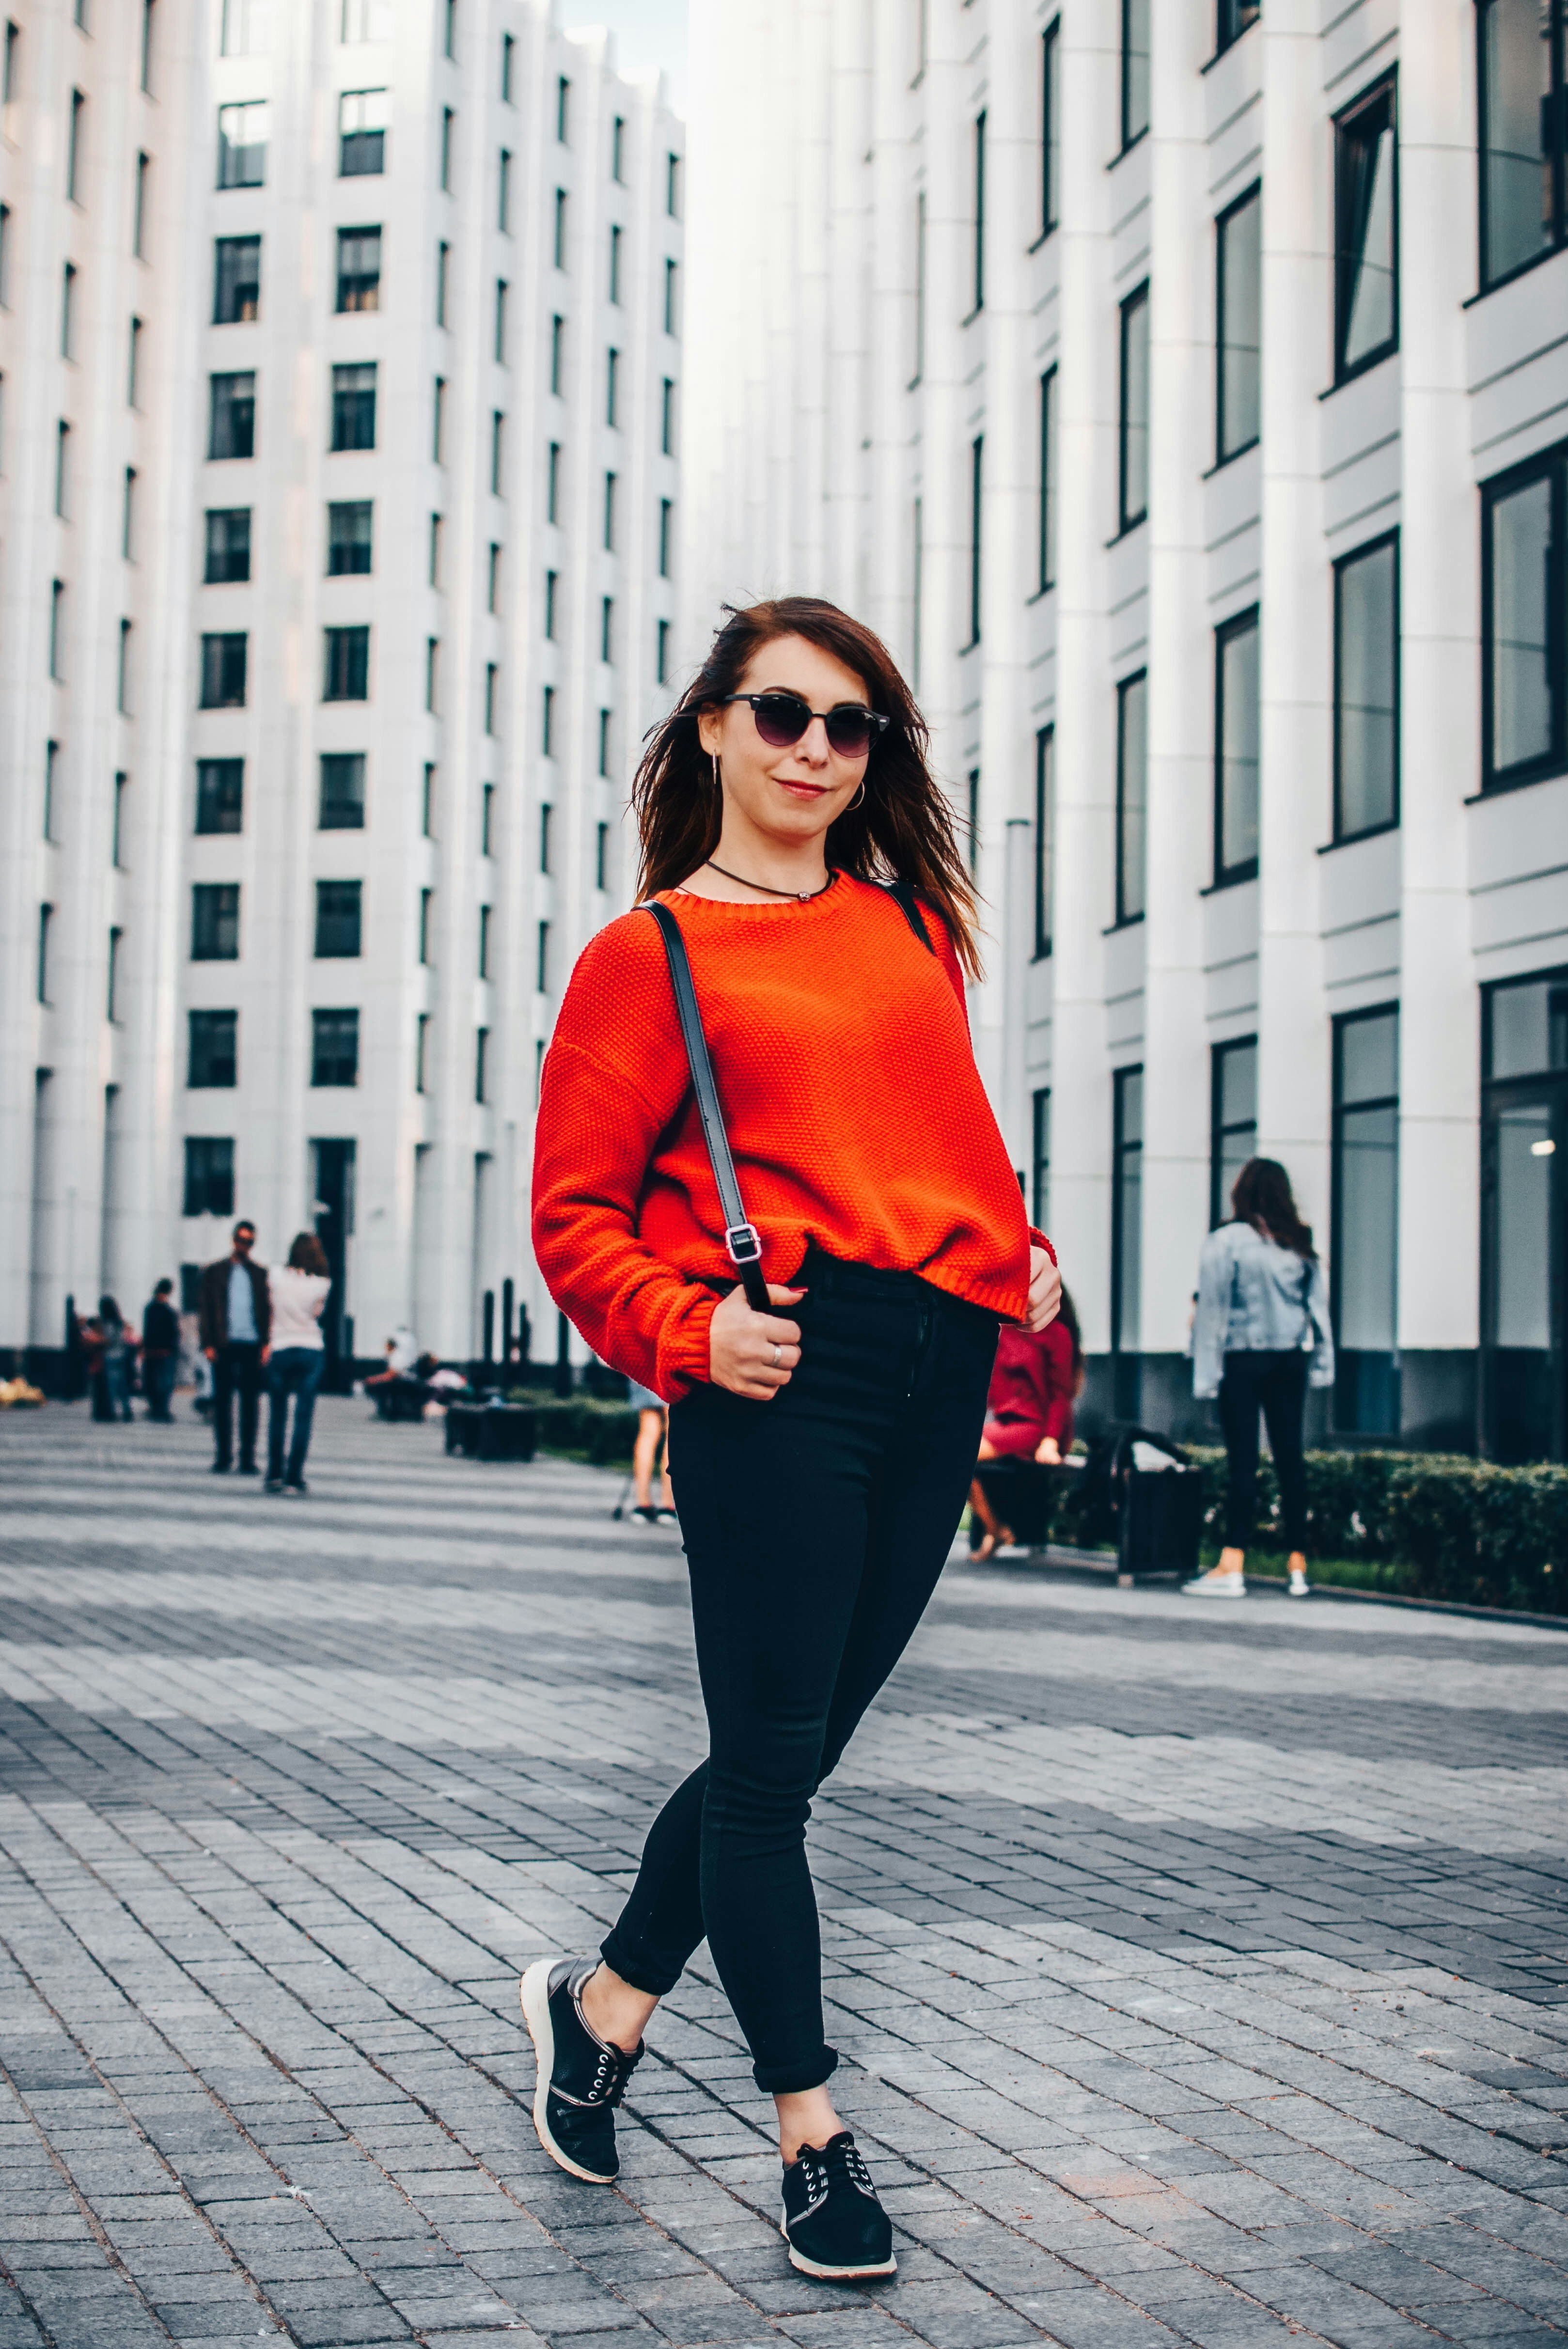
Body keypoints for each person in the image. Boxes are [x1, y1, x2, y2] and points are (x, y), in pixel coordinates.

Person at [527, 596, 1061, 2282]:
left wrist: (1018, 1251)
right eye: (780, 713)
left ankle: (604, 2003)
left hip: (938, 1362)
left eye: (849, 725)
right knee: (768, 1771)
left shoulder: (909, 930)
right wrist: (687, 1329)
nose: (815, 749)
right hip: (777, 1374)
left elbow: (949, 1143)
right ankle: (810, 2131)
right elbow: (571, 1216)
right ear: (711, 726)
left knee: (792, 1752)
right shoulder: (648, 955)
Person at [1187, 1157, 1333, 1599]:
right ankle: (1297, 1566)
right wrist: (1324, 1363)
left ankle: (1233, 1563)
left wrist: (1205, 1375)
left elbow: (1212, 1310)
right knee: (1291, 1460)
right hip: (1290, 1360)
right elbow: (1318, 1309)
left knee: (1243, 1462)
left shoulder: (1226, 1241)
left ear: (1241, 1192)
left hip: (1243, 1359)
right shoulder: (1298, 1243)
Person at [968, 1285, 1084, 1559]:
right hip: (1007, 1426)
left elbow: (1061, 1395)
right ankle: (994, 1528)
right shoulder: (1004, 1330)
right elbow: (990, 1386)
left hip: (1039, 1429)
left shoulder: (1057, 1333)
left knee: (959, 1457)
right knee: (952, 1453)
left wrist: (1051, 1441)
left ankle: (995, 1530)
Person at [199, 1220, 270, 1474]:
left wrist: (267, 1343)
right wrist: (207, 1343)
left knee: (251, 1404)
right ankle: (223, 1457)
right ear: (233, 1240)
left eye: (249, 1241)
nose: (244, 1245)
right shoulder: (215, 1272)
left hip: (252, 1344)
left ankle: (247, 1458)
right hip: (223, 1344)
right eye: (241, 1240)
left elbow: (267, 1310)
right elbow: (205, 1309)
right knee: (223, 1403)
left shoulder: (260, 1274)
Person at [264, 1234, 332, 1492]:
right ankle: (294, 1476)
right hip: (310, 1348)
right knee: (303, 1416)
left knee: (278, 1413)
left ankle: (274, 1473)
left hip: (280, 1346)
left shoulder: (275, 1276)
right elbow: (317, 1313)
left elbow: (270, 1308)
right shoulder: (322, 1283)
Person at [626, 1380, 675, 1526]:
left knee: (648, 1431)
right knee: (673, 1431)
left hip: (643, 1368)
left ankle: (643, 1504)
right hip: (672, 1369)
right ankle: (667, 1505)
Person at [87, 1298, 135, 1423]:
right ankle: (127, 1410)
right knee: (123, 1385)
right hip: (122, 1355)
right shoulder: (119, 1323)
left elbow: (108, 1340)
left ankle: (112, 1411)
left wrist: (96, 1340)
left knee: (112, 1385)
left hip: (111, 1356)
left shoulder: (108, 1324)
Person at [141, 1280, 181, 1422]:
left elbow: (147, 1331)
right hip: (167, 1351)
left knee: (153, 1381)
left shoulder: (150, 1309)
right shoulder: (169, 1311)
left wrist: (145, 1348)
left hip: (152, 1351)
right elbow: (175, 1332)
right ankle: (162, 1409)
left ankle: (156, 1408)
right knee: (166, 1382)